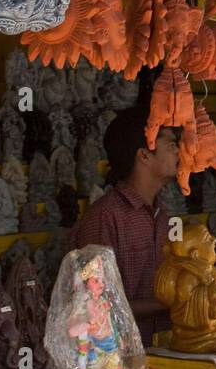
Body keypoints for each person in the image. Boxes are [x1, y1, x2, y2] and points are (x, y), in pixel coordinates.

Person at [71, 103, 176, 345]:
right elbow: (94, 305)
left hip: (168, 351)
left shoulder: (163, 214)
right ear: (144, 155)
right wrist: (170, 301)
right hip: (121, 358)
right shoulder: (105, 217)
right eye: (171, 144)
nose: (179, 152)